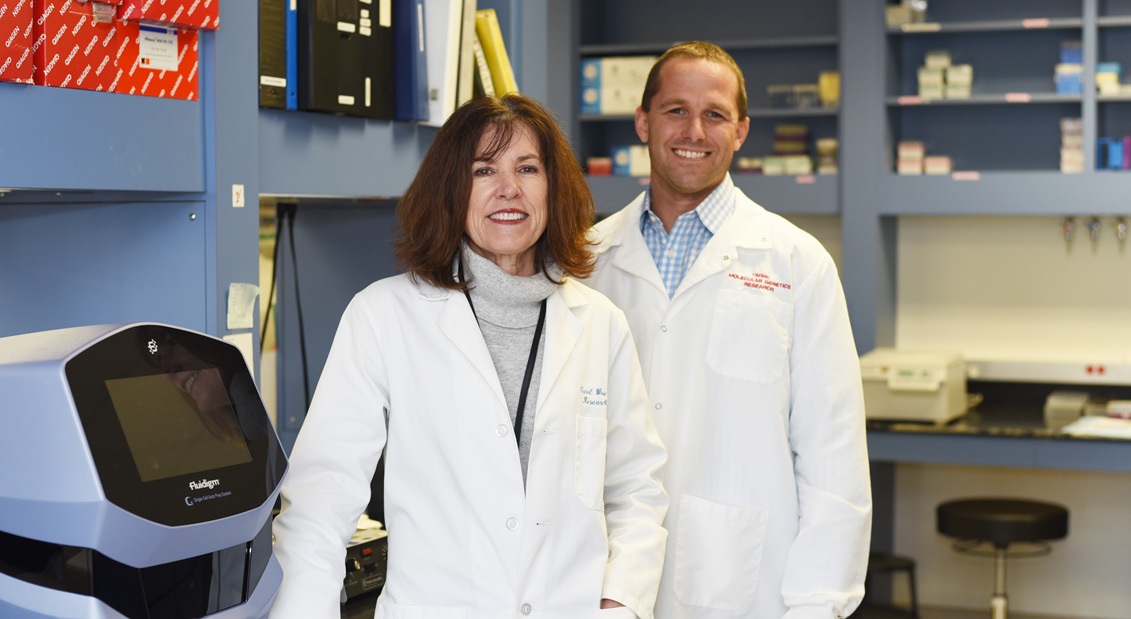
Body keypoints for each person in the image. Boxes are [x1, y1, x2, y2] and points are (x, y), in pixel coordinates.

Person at [270, 94, 669, 619]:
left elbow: (636, 489)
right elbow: (322, 497)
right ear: (451, 190)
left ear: (554, 188)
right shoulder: (384, 315)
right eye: (484, 170)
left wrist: (620, 602)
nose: (509, 188)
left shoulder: (599, 323)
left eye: (527, 168)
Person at [584, 41, 873, 618]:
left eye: (714, 114)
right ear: (643, 122)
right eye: (675, 110)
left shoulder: (796, 262)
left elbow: (833, 458)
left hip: (748, 586)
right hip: (607, 580)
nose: (694, 130)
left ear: (740, 131)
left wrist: (818, 605)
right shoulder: (587, 260)